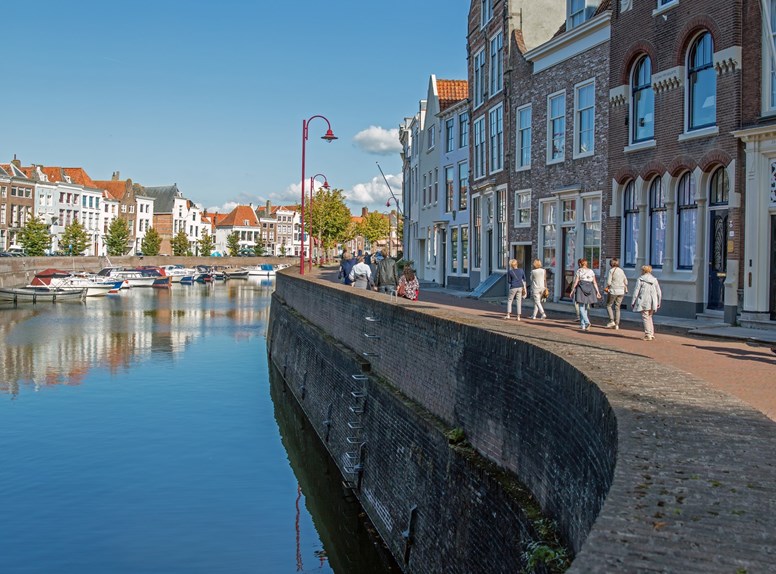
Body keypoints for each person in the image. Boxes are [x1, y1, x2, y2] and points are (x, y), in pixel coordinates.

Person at [631, 264, 662, 341]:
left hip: (644, 300)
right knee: (650, 316)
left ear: (643, 271)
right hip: (653, 300)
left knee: (645, 317)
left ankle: (648, 334)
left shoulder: (640, 279)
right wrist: (658, 301)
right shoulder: (654, 279)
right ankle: (651, 333)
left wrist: (633, 301)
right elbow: (659, 292)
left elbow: (636, 291)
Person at [570, 258, 602, 331]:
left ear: (580, 264)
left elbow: (576, 281)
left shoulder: (579, 271)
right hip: (590, 288)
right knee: (585, 308)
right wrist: (598, 292)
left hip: (581, 289)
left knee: (581, 307)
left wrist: (572, 290)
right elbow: (594, 282)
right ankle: (583, 325)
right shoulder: (591, 271)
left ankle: (587, 322)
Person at [604, 258, 629, 330]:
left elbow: (609, 282)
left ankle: (612, 321)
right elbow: (626, 282)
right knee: (617, 307)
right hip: (621, 291)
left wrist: (610, 285)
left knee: (609, 305)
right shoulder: (621, 270)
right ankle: (617, 324)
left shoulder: (611, 271)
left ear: (611, 264)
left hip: (613, 290)